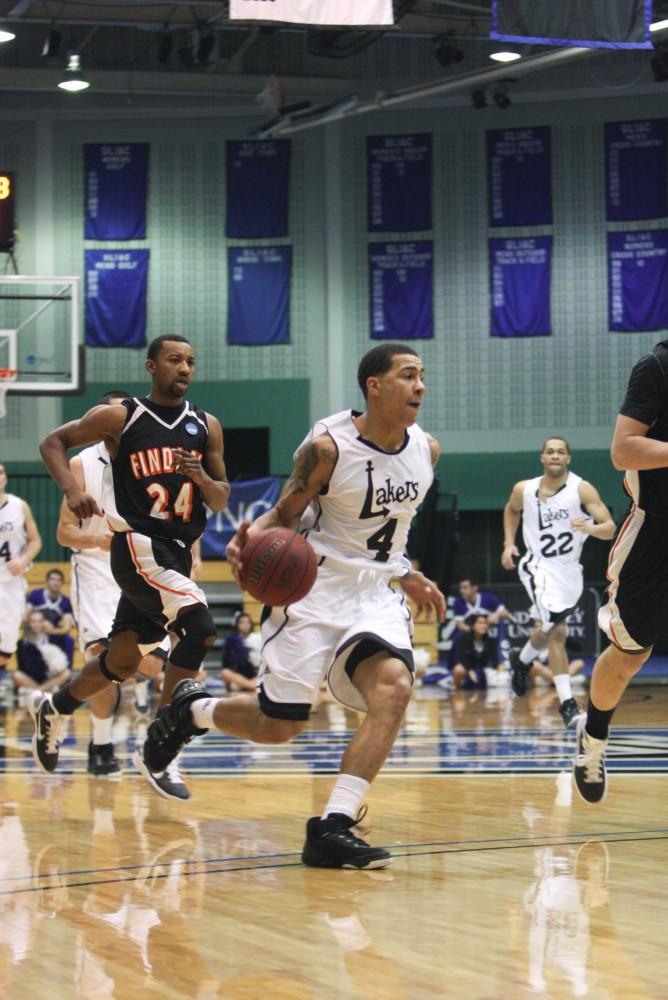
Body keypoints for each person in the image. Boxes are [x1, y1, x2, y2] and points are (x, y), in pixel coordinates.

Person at [136, 343, 446, 869]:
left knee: (394, 687)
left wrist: (408, 574)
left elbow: (392, 533)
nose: (420, 386)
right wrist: (246, 541)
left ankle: (332, 826)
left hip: (375, 595)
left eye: (421, 377)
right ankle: (191, 712)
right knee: (280, 726)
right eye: (408, 376)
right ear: (374, 386)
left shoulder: (427, 449)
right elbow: (283, 512)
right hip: (313, 588)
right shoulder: (327, 449)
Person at [28, 334, 230, 799]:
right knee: (199, 625)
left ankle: (55, 707)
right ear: (151, 366)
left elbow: (220, 498)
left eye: (191, 362)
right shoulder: (123, 416)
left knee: (120, 661)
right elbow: (52, 442)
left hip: (177, 549)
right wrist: (70, 490)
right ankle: (162, 746)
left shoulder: (207, 426)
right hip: (139, 544)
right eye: (175, 360)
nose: (184, 368)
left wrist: (199, 476)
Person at [55, 389, 169, 779]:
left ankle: (140, 705)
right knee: (101, 660)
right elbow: (64, 532)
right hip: (95, 569)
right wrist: (97, 539)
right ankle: (101, 743)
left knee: (152, 664)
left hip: (141, 564)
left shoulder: (149, 458)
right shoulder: (81, 463)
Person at [573, 341, 668, 802]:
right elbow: (624, 450)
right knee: (630, 653)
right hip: (657, 532)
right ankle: (593, 738)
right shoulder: (657, 366)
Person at [501, 436, 615, 729]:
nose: (555, 456)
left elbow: (610, 529)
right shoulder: (523, 489)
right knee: (558, 632)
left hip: (569, 572)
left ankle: (521, 659)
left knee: (549, 630)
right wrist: (508, 543)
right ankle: (567, 705)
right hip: (538, 567)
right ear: (542, 458)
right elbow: (511, 510)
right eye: (550, 452)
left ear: (568, 459)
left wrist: (589, 527)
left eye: (560, 452)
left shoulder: (581, 489)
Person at [0, 462, 42, 682]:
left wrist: (23, 559)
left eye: (1, 472)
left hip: (12, 581)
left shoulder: (19, 506)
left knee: (7, 643)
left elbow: (35, 541)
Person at [14, 609, 71, 695]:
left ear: (43, 623)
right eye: (33, 621)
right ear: (28, 623)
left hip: (48, 677)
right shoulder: (21, 643)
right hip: (31, 677)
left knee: (66, 673)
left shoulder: (52, 640)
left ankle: (37, 691)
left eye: (39, 621)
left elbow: (59, 665)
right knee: (16, 675)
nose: (36, 624)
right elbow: (22, 667)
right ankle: (43, 691)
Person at [27, 568, 75, 667]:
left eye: (59, 580)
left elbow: (66, 628)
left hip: (52, 634)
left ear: (62, 583)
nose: (55, 582)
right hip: (35, 632)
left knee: (68, 640)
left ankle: (67, 674)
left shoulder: (66, 601)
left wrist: (52, 630)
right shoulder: (35, 595)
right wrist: (40, 623)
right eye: (53, 579)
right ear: (47, 581)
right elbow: (25, 616)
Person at [451, 613, 508, 690]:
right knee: (458, 669)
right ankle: (457, 689)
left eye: (485, 623)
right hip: (467, 669)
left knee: (502, 669)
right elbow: (461, 658)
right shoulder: (463, 639)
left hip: (482, 670)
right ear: (473, 626)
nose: (483, 626)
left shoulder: (490, 641)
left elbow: (495, 660)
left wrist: (499, 666)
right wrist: (469, 671)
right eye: (480, 623)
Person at [220, 611, 261, 692]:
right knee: (225, 672)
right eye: (242, 622)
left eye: (248, 622)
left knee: (235, 686)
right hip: (238, 676)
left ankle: (249, 685)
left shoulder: (258, 638)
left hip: (255, 674)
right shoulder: (230, 641)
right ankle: (251, 685)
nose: (245, 625)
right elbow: (225, 664)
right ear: (236, 625)